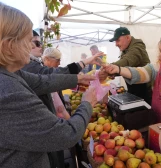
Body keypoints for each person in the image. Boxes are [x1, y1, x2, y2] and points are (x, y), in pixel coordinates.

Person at [0, 3, 98, 167]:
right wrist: (87, 104)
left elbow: (43, 81)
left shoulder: (10, 73)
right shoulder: (9, 93)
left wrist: (77, 79)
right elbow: (66, 135)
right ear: (9, 46)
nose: (32, 46)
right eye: (28, 40)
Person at [22, 31, 103, 168]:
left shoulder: (21, 71)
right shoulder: (23, 71)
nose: (40, 46)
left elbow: (48, 79)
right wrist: (86, 104)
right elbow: (48, 78)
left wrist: (79, 77)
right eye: (35, 42)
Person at [99, 27, 152, 105]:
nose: (116, 44)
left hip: (144, 91)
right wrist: (113, 72)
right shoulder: (125, 49)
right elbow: (123, 68)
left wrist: (109, 68)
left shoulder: (137, 45)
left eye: (118, 40)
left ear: (127, 37)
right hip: (133, 89)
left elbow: (127, 61)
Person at [42, 47, 70, 120]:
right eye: (57, 60)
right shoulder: (42, 76)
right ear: (47, 59)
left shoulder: (51, 73)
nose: (59, 63)